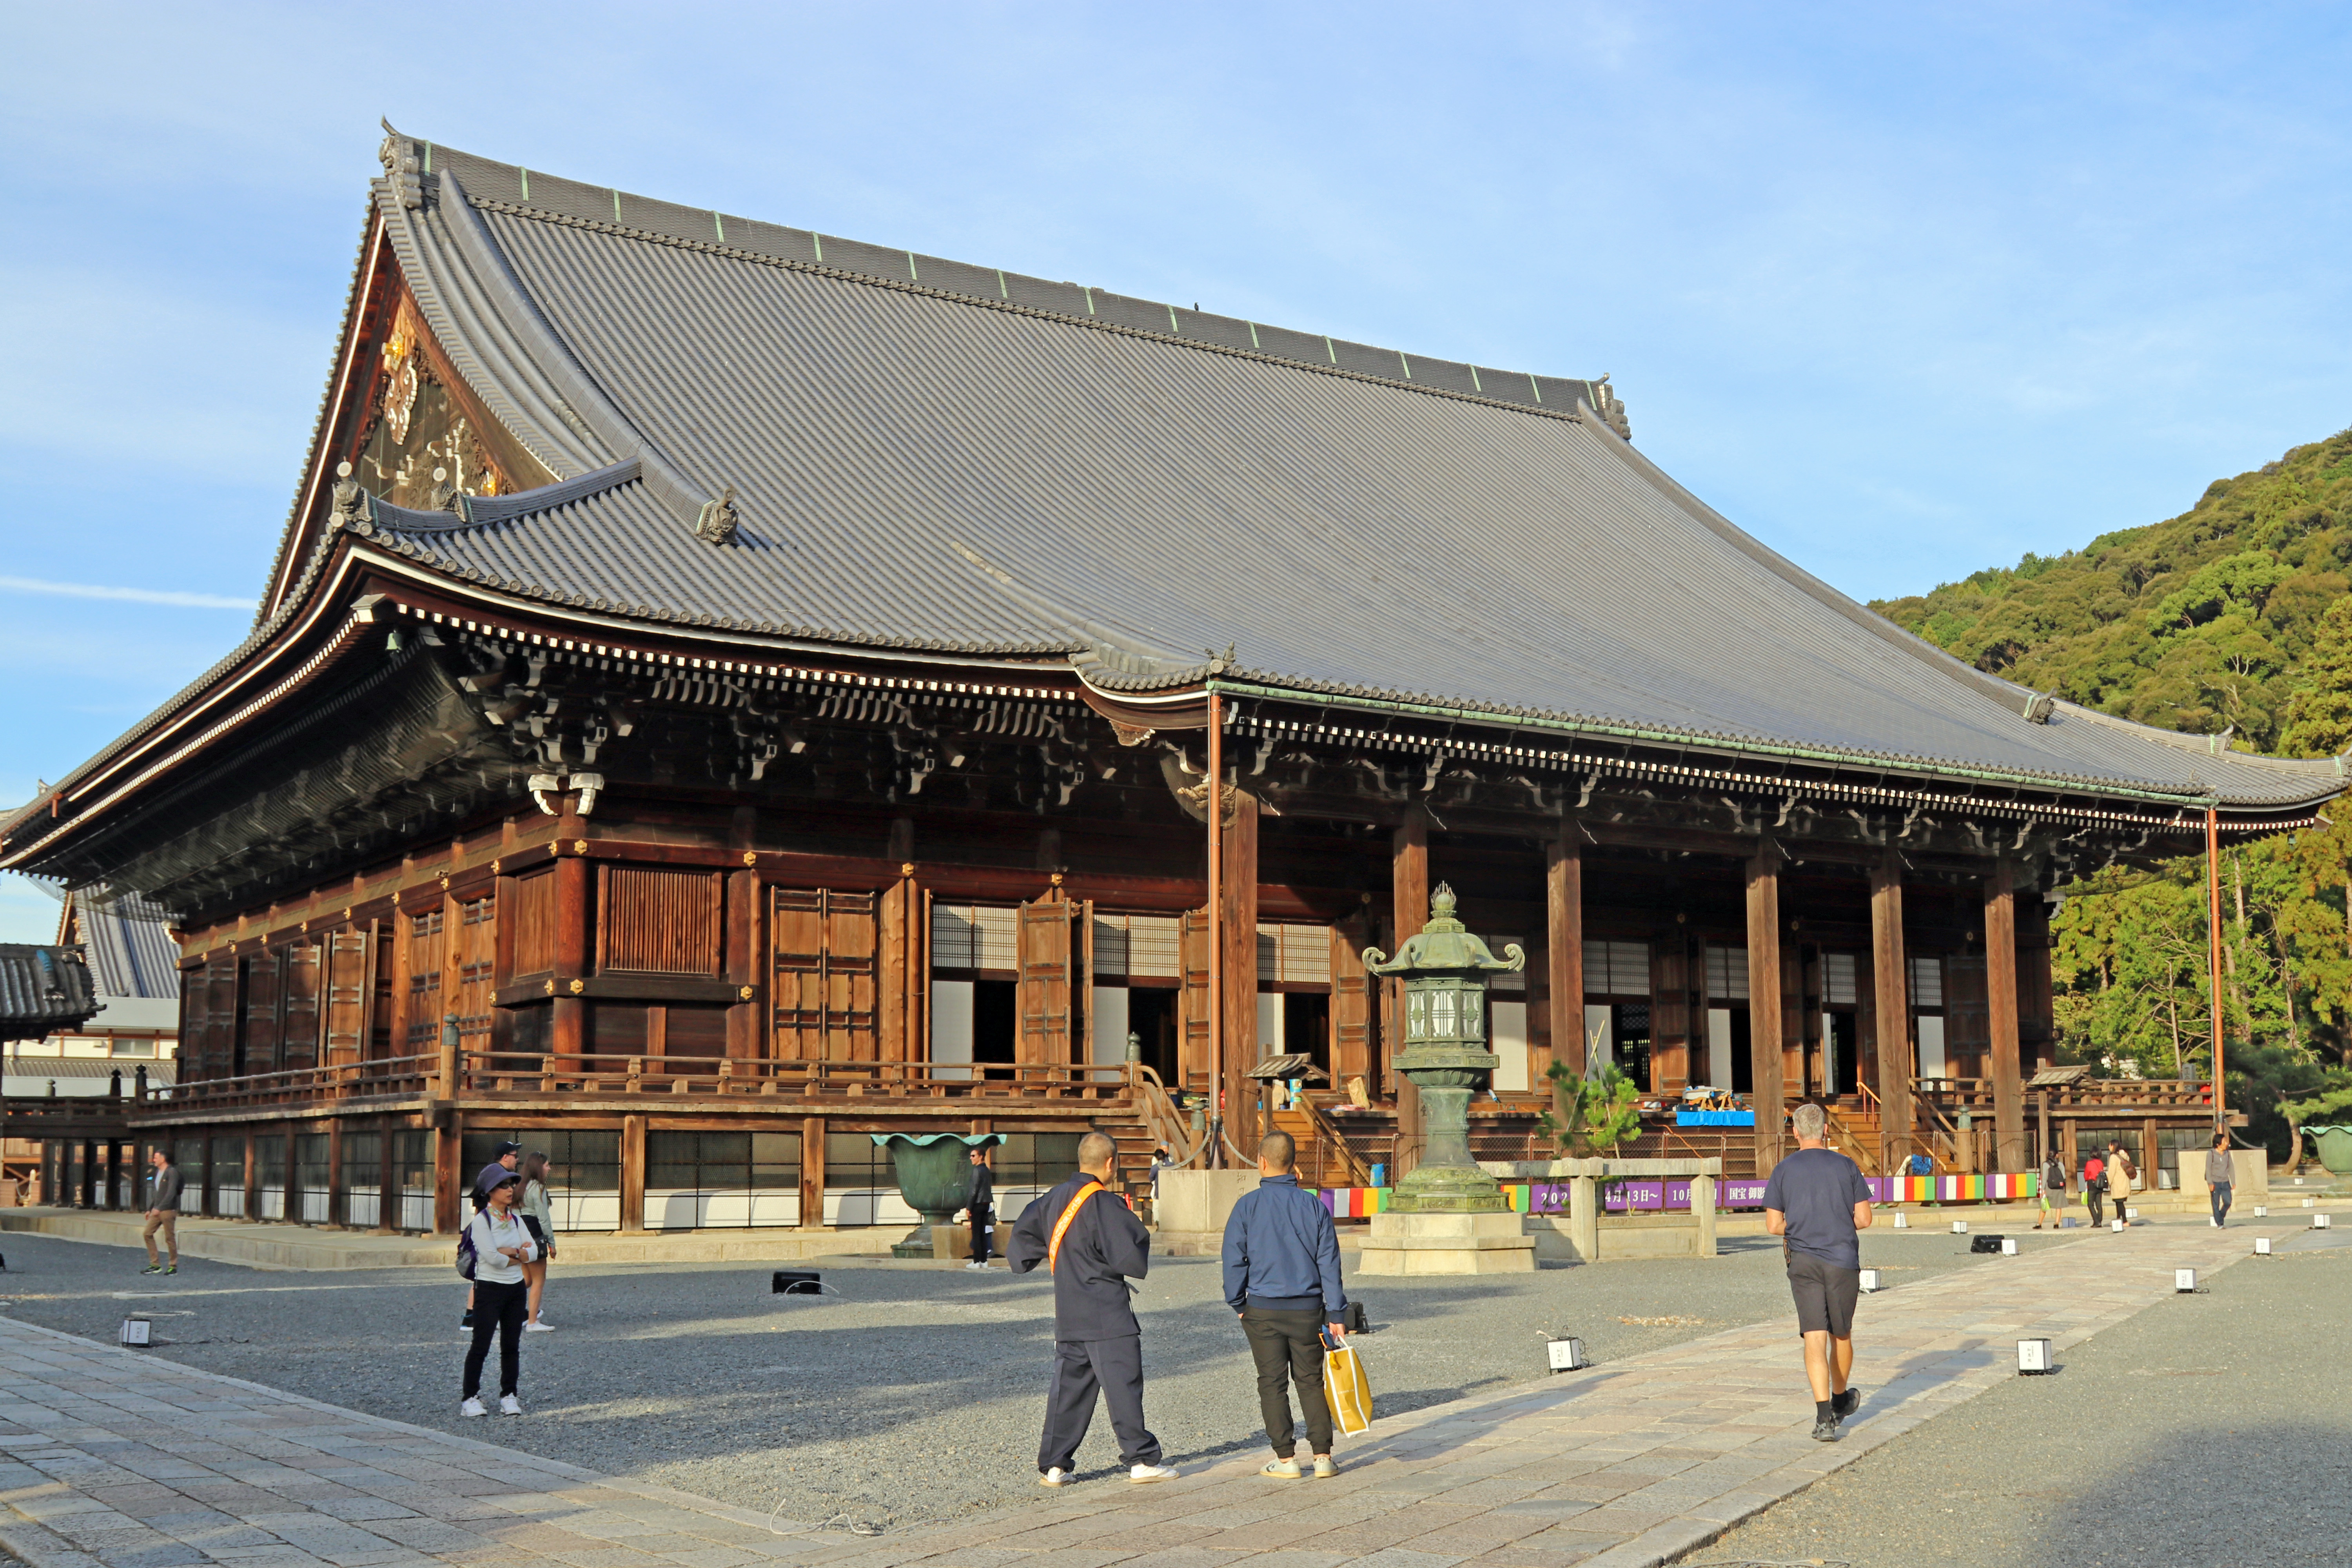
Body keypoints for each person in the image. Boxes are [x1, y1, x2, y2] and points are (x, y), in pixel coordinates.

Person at [1009, 1131, 1178, 1487]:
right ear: (1110, 1163)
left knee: (1069, 1390)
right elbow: (1130, 1253)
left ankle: (1055, 1466)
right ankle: (1141, 1460)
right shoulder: (1105, 1203)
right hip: (1107, 1311)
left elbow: (1021, 1245)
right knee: (1123, 1385)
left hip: (1069, 1310)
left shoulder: (1052, 1199)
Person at [1221, 1130, 1348, 1479]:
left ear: (1262, 1162)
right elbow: (1329, 1263)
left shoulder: (1247, 1206)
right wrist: (1336, 1311)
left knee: (1272, 1382)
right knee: (1310, 1381)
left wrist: (1238, 1302)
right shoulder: (1313, 1206)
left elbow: (1234, 1260)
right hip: (1307, 1308)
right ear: (1294, 1165)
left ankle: (1286, 1459)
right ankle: (1323, 1456)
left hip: (1261, 1307)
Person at [1762, 1102, 1873, 1443]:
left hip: (1803, 1262)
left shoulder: (1783, 1170)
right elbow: (1864, 1219)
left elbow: (1773, 1225)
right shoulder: (1846, 1166)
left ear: (1794, 1132)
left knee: (1814, 1336)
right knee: (1842, 1334)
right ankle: (1840, 1398)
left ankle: (1824, 1416)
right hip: (1841, 1259)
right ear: (1826, 1130)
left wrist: (1802, 1226)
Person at [461, 1167, 537, 1417]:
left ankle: (509, 1395)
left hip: (515, 1289)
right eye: (503, 1185)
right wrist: (519, 1254)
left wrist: (510, 1252)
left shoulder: (516, 1219)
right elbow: (492, 1258)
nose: (509, 1189)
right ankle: (470, 1398)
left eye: (511, 1184)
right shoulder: (482, 1221)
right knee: (481, 1345)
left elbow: (535, 1252)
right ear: (489, 1192)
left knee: (511, 1345)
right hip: (489, 1288)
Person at [461, 1142, 523, 1332]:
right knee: (486, 1270)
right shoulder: (494, 1174)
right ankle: (472, 1315)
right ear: (505, 1157)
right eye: (515, 1155)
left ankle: (476, 1314)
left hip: (494, 1226)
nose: (517, 1159)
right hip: (491, 1227)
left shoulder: (494, 1172)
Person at [516, 1151, 556, 1330]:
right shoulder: (538, 1188)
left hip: (519, 1234)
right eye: (547, 1165)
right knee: (539, 1279)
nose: (549, 1168)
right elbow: (544, 1218)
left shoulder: (519, 1186)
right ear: (539, 1168)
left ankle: (506, 1313)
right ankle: (533, 1321)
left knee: (525, 1280)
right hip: (534, 1233)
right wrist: (552, 1244)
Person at [140, 1147, 182, 1276]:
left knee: (169, 1238)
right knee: (147, 1233)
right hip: (157, 1210)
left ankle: (173, 1266)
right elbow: (157, 1194)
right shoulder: (158, 1173)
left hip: (168, 1210)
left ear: (163, 1159)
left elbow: (171, 1192)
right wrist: (150, 1208)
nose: (154, 1160)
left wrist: (160, 1207)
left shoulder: (172, 1172)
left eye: (156, 1158)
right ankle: (155, 1264)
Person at [960, 1143, 996, 1271]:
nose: (971, 1158)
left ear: (981, 1157)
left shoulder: (977, 1171)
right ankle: (983, 1261)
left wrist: (969, 1207)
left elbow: (974, 1191)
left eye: (974, 1156)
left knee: (976, 1234)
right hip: (986, 1204)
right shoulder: (986, 1170)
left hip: (977, 1205)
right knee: (982, 1233)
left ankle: (976, 1261)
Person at [2206, 1132, 2235, 1227]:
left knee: (2228, 1202)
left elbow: (2231, 1167)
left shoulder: (2227, 1153)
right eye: (2225, 1141)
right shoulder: (2211, 1154)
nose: (2227, 1143)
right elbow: (2208, 1169)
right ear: (2218, 1144)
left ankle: (2220, 1216)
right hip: (2215, 1182)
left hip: (2225, 1182)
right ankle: (2220, 1223)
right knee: (2216, 1204)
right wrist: (2210, 1183)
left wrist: (2233, 1181)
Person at [2105, 1141, 2136, 1227]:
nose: (2109, 1146)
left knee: (2119, 1203)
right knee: (2119, 1202)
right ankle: (2119, 1219)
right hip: (2125, 1182)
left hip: (2118, 1183)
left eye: (2110, 1145)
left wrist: (2108, 1182)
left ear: (2113, 1146)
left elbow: (2112, 1172)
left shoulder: (2114, 1157)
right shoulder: (2124, 1155)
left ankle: (2125, 1221)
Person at [2036, 1148, 2065, 1230]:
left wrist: (2043, 1189)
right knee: (2058, 1206)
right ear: (2057, 1155)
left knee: (2044, 1206)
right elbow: (2064, 1177)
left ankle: (2039, 1224)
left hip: (2049, 1187)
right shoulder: (2060, 1164)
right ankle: (2056, 1224)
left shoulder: (2046, 1165)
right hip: (2059, 1188)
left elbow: (2044, 1178)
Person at [2083, 1151, 2107, 1228]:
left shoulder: (2090, 1163)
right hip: (2100, 1184)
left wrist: (2086, 1180)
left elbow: (2086, 1175)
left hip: (2092, 1184)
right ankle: (2100, 1220)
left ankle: (2096, 1221)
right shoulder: (2101, 1163)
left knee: (2090, 1204)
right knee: (2099, 1204)